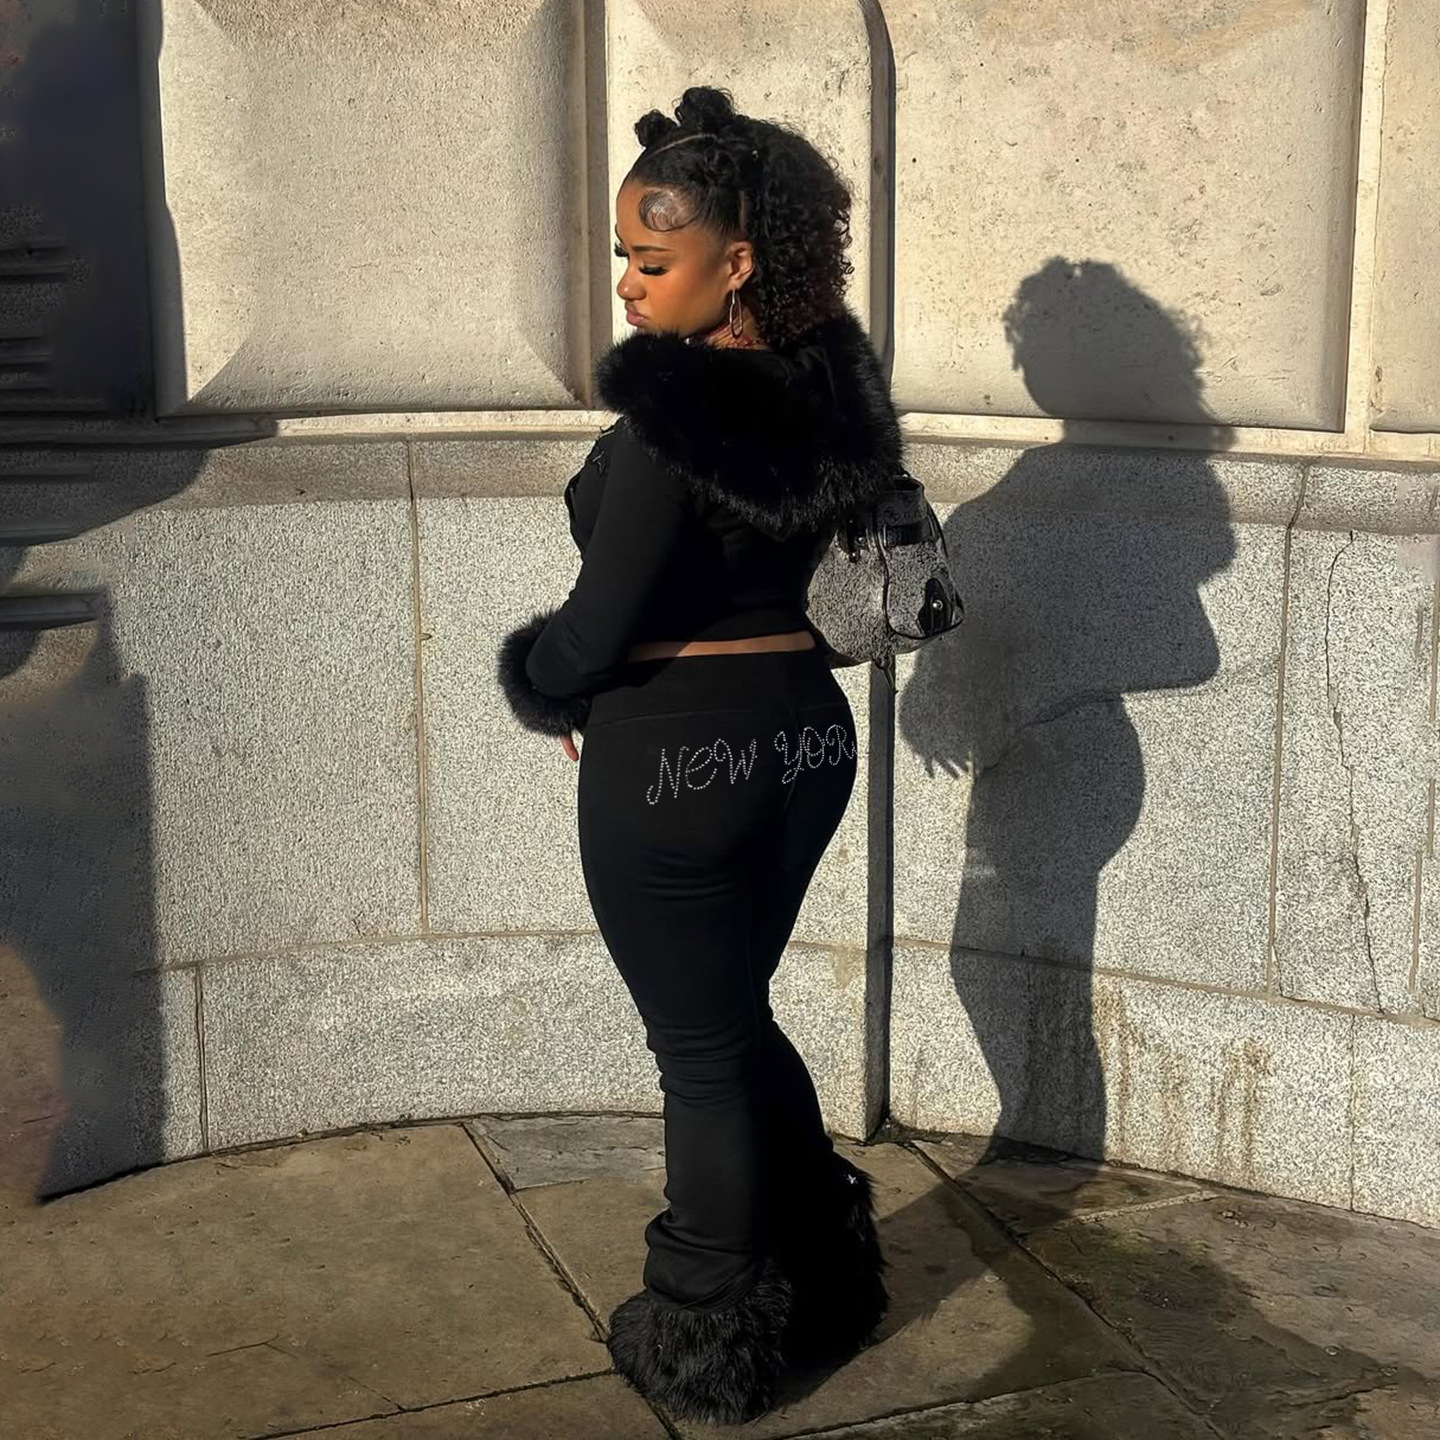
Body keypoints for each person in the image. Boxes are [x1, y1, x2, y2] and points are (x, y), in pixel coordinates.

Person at [496, 85, 899, 1425]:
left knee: (701, 1050)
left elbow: (598, 621)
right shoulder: (830, 388)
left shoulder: (674, 414)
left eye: (651, 259)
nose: (626, 283)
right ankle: (823, 1265)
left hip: (676, 754)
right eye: (623, 255)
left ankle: (706, 1330)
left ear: (736, 262)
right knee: (730, 1016)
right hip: (808, 740)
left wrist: (541, 681)